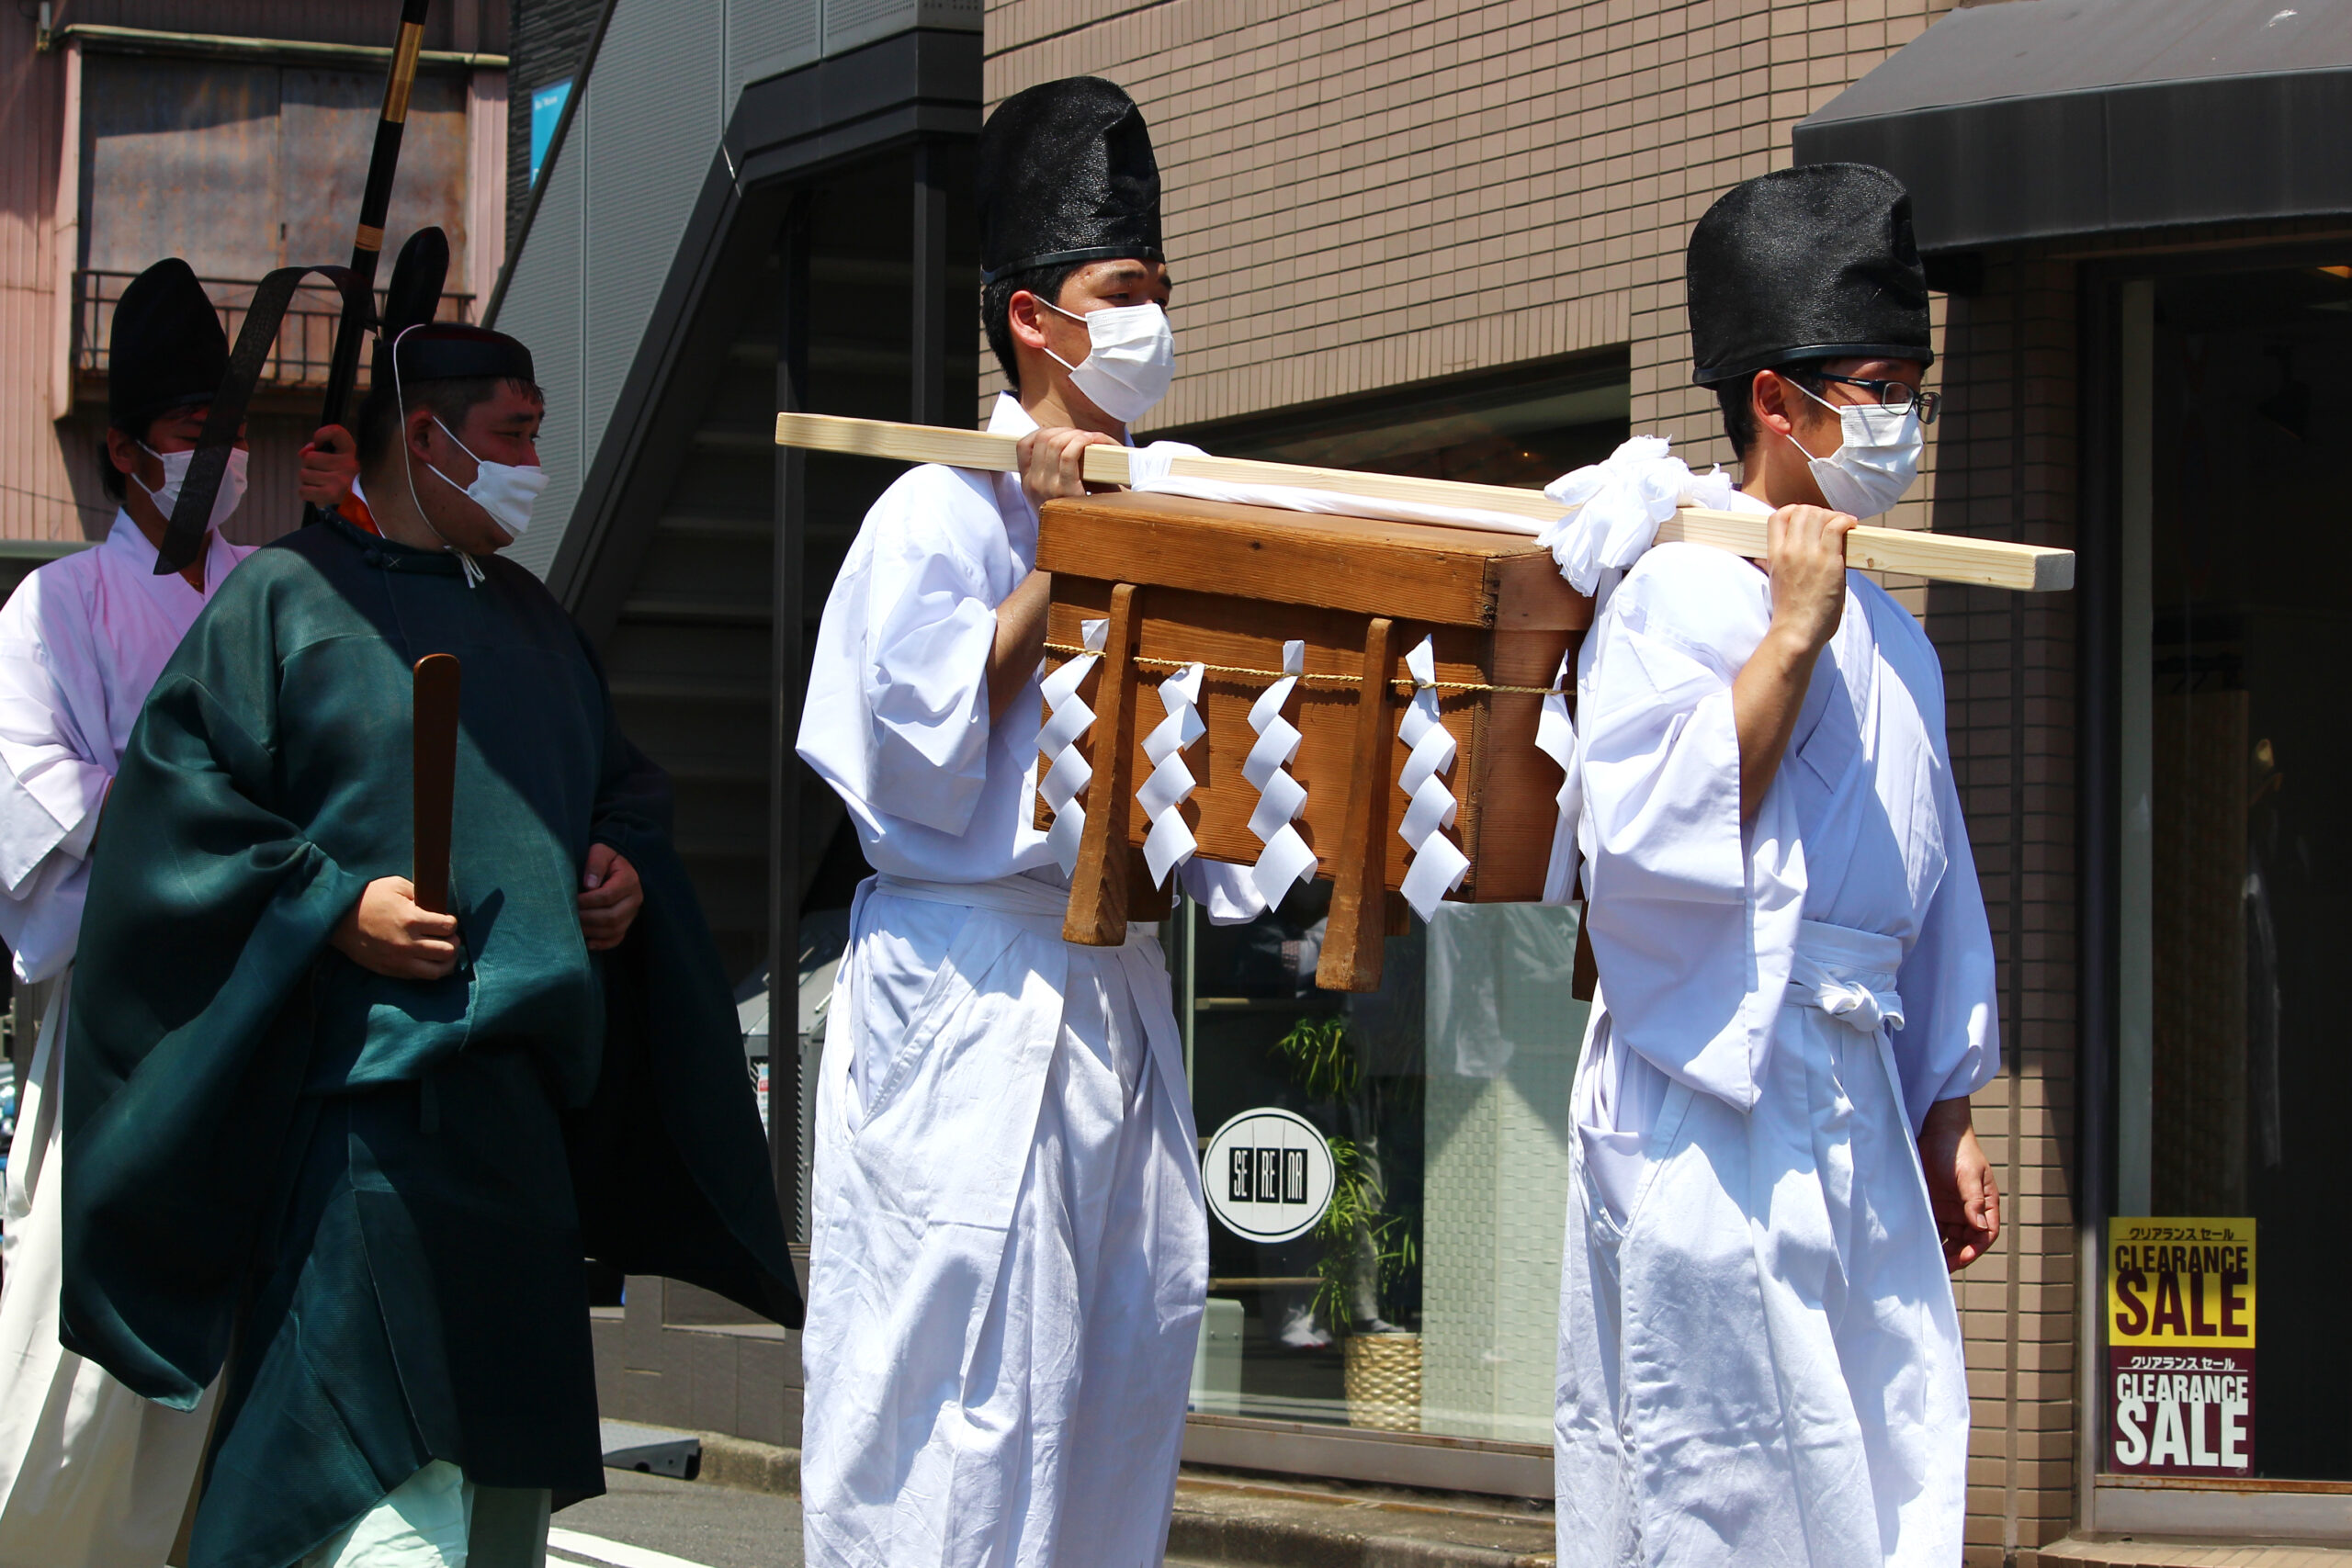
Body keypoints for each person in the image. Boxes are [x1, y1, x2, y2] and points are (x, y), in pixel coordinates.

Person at [56, 321, 798, 1568]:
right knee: (378, 1518)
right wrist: (331, 904)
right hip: (366, 1138)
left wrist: (614, 872)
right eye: (514, 435)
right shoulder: (285, 601)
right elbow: (171, 818)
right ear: (426, 438)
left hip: (520, 1145)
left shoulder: (536, 621)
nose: (534, 462)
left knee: (498, 1521)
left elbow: (619, 793)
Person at [797, 75, 1261, 1568]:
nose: (1153, 321)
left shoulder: (1172, 502)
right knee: (958, 1394)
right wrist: (1065, 556)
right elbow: (914, 760)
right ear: (1031, 321)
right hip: (968, 986)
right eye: (1124, 291)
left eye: (1164, 292)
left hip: (1112, 988)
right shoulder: (930, 509)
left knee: (1118, 1362)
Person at [1553, 163, 2003, 1566]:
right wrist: (1789, 633)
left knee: (1883, 1454)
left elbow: (1929, 883)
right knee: (1724, 1475)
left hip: (1857, 1080)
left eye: (1909, 386)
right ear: (1774, 400)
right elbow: (1645, 839)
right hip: (1717, 1089)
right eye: (1869, 385)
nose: (1897, 419)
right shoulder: (1681, 585)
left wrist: (1945, 1106)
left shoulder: (1901, 635)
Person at [0, 256, 359, 1568]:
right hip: (130, 1002)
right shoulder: (49, 608)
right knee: (80, 1309)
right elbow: (33, 801)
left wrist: (352, 520)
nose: (208, 455)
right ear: (122, 449)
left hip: (266, 987)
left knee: (248, 1316)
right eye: (181, 433)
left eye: (222, 430)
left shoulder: (283, 583)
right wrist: (207, 816)